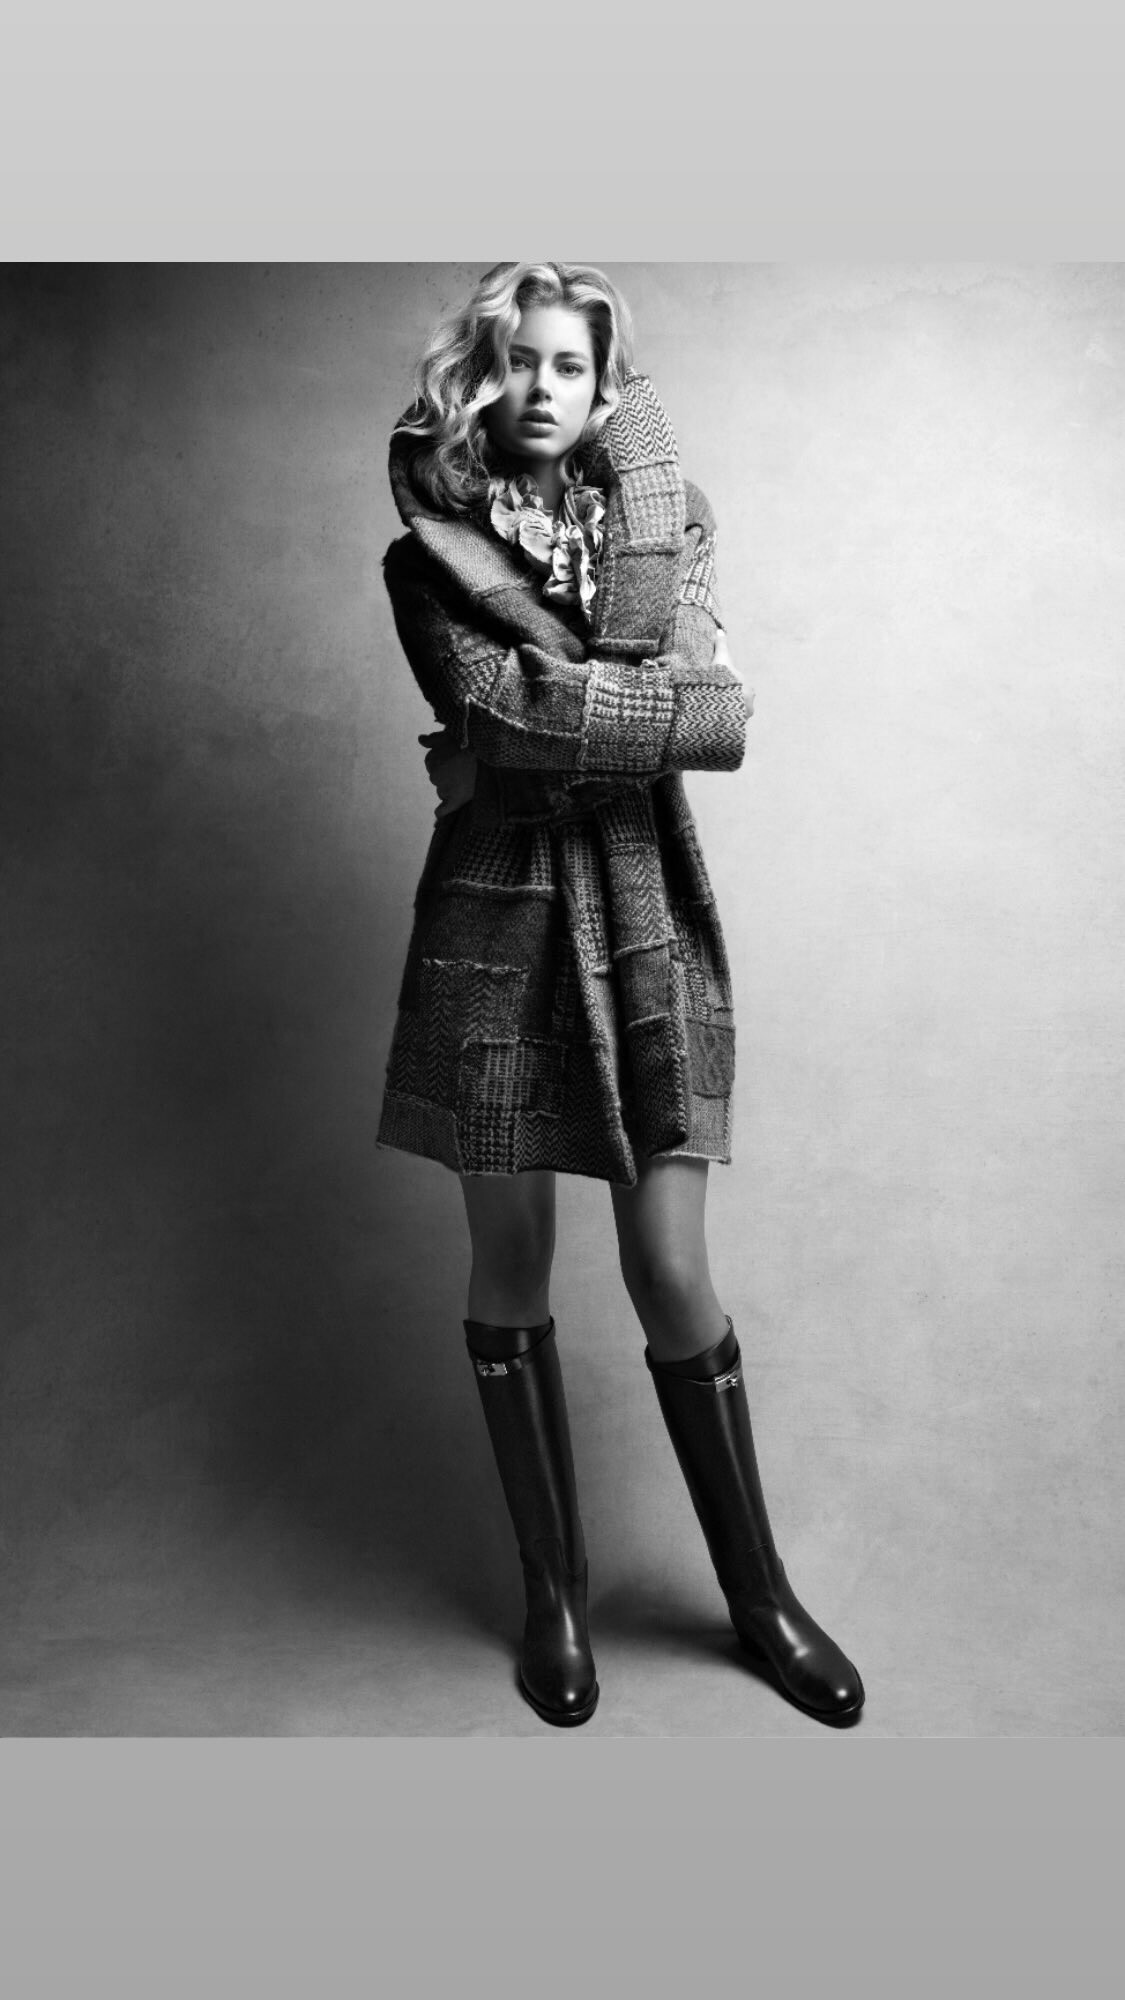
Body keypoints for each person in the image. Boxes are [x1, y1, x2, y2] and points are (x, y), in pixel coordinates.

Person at [376, 261, 864, 1729]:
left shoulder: (672, 521)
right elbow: (504, 712)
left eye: (573, 367)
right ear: (479, 376)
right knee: (510, 1256)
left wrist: (547, 719)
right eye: (517, 360)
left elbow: (715, 720)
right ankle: (555, 1599)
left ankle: (759, 1601)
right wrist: (598, 721)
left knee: (668, 1267)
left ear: (609, 392)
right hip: (495, 918)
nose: (541, 387)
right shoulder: (424, 558)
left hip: (646, 908)